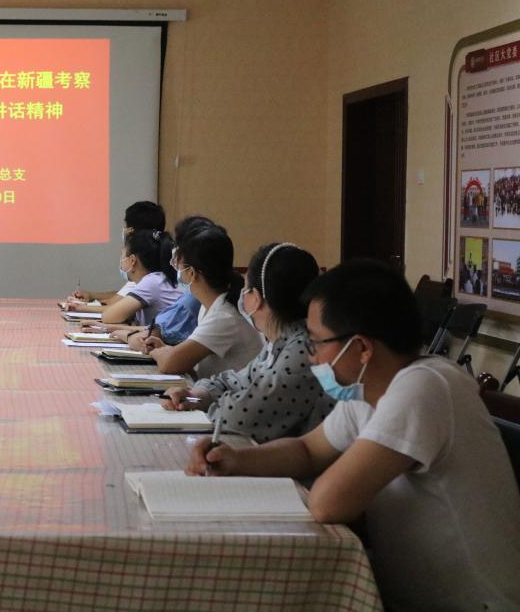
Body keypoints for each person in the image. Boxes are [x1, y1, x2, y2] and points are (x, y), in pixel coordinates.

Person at [187, 260, 520, 610]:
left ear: (362, 348)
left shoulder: (425, 387)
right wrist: (236, 459)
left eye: (316, 342)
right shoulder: (367, 391)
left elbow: (327, 503)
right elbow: (307, 450)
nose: (311, 356)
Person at [161, 243, 334, 443]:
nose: (242, 294)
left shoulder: (303, 351)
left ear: (256, 298)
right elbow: (234, 381)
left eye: (246, 288)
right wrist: (197, 394)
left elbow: (239, 420)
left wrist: (203, 404)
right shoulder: (279, 341)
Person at [144, 225, 262, 378]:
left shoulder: (224, 317)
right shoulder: (210, 306)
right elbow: (190, 365)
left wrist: (157, 352)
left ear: (192, 273)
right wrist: (165, 350)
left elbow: (169, 364)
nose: (177, 271)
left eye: (178, 265)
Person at [121, 216, 212, 350]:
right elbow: (155, 330)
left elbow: (149, 339)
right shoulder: (194, 294)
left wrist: (123, 334)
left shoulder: (192, 299)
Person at [65, 201, 166, 314]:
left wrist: (81, 307)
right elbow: (122, 296)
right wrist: (91, 296)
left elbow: (112, 308)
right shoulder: (156, 265)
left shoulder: (149, 277)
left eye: (125, 227)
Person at [93, 229, 179, 328]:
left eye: (122, 255)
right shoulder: (159, 278)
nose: (121, 260)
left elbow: (108, 316)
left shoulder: (152, 282)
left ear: (132, 260)